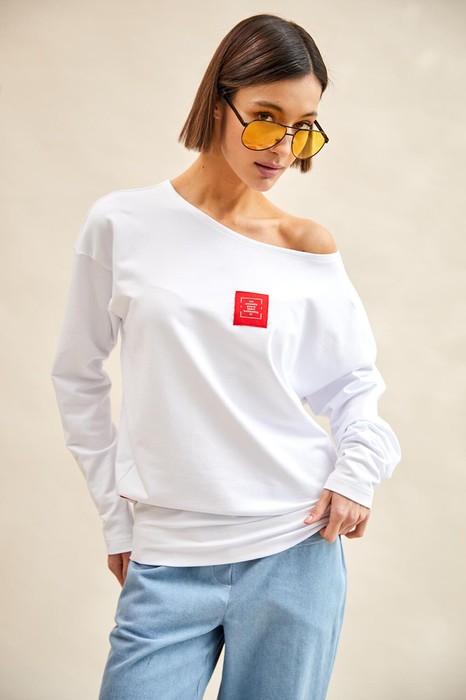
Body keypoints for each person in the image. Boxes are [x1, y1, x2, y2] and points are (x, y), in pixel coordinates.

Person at [51, 12, 401, 700]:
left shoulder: (305, 247)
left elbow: (353, 383)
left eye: (304, 127)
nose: (285, 149)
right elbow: (76, 376)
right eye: (266, 118)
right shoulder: (122, 224)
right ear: (219, 102)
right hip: (167, 556)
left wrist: (358, 473)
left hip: (295, 548)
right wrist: (115, 517)